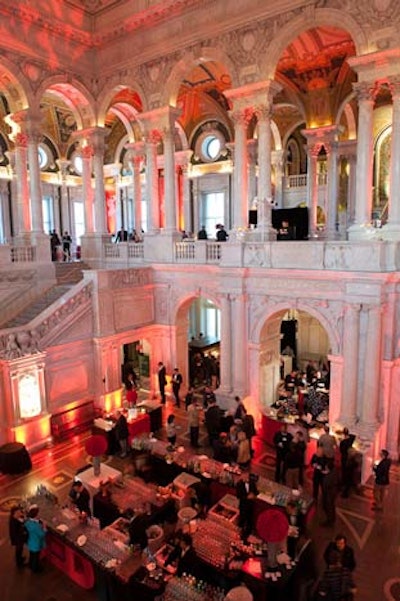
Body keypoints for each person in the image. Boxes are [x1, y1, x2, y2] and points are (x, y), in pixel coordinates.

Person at [236, 473, 258, 540]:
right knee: (242, 520)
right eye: (244, 476)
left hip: (251, 505)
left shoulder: (252, 483)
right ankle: (240, 534)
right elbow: (238, 496)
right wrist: (247, 497)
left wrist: (254, 495)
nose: (246, 478)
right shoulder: (239, 484)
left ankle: (248, 534)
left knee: (249, 520)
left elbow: (256, 492)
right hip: (243, 506)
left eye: (247, 476)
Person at [25, 505, 46, 573]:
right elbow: (42, 534)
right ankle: (35, 569)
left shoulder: (28, 522)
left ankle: (30, 565)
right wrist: (44, 527)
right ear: (36, 515)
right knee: (36, 558)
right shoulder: (36, 526)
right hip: (36, 544)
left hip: (30, 542)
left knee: (32, 555)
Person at [340, 427, 356, 497]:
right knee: (349, 475)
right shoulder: (351, 440)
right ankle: (347, 486)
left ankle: (345, 491)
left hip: (344, 459)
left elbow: (341, 451)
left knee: (345, 474)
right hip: (349, 461)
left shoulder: (343, 442)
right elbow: (353, 436)